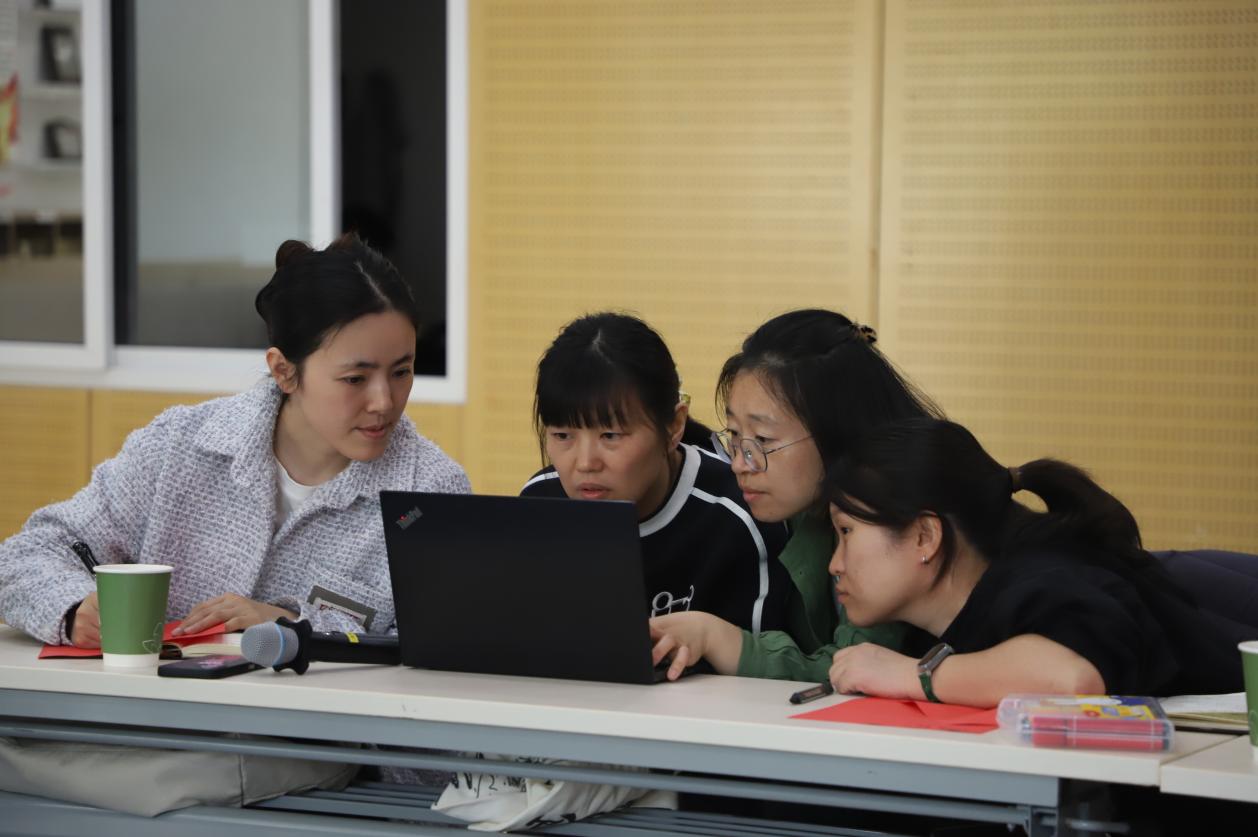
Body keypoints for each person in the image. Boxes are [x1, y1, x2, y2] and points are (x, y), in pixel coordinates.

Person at [0, 233, 470, 647]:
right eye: (355, 379)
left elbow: (446, 644)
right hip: (159, 713)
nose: (384, 401)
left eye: (402, 371)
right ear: (284, 371)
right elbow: (26, 554)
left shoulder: (429, 492)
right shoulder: (178, 446)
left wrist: (292, 627)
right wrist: (71, 608)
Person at [822, 418, 1246, 704]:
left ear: (924, 536)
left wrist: (911, 675)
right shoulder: (948, 625)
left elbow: (1071, 680)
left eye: (846, 532)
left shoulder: (1044, 582)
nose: (834, 564)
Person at [649, 309, 942, 682]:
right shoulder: (797, 506)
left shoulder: (891, 522)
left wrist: (719, 639)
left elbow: (855, 669)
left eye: (763, 440)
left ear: (836, 433)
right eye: (735, 435)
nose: (740, 463)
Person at [521, 312, 790, 633]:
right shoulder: (539, 504)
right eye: (563, 435)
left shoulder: (738, 515)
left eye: (610, 436)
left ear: (674, 426)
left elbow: (759, 659)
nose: (585, 463)